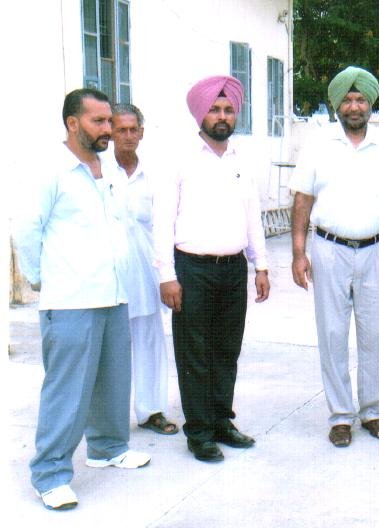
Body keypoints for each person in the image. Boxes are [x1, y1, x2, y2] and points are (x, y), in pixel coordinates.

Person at [14, 88, 150, 511]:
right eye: (99, 121)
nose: (108, 128)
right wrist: (40, 278)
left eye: (110, 120)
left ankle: (108, 447)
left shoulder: (107, 169)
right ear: (73, 123)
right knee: (67, 390)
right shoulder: (52, 170)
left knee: (113, 379)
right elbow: (26, 230)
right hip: (71, 298)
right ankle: (50, 474)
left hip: (113, 293)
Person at [290, 66, 379, 448]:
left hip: (377, 249)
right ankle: (341, 416)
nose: (354, 106)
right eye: (348, 99)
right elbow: (302, 200)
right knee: (332, 334)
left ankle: (373, 412)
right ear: (337, 104)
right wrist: (298, 252)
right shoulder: (318, 145)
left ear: (370, 104)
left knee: (375, 334)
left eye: (361, 99)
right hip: (329, 249)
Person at [153, 75, 270, 463]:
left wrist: (261, 265)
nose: (222, 116)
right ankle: (200, 432)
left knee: (226, 350)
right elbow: (162, 221)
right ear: (201, 113)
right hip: (192, 270)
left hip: (233, 269)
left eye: (228, 110)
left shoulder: (242, 160)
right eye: (215, 110)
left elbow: (253, 216)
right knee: (195, 354)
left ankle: (221, 421)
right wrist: (167, 276)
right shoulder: (179, 159)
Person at [110, 103, 178, 436]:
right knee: (110, 349)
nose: (127, 136)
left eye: (132, 129)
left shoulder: (154, 176)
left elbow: (163, 227)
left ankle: (151, 411)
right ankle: (109, 419)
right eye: (120, 129)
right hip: (108, 277)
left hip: (145, 274)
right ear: (110, 132)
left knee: (149, 344)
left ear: (141, 132)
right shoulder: (99, 172)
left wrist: (167, 274)